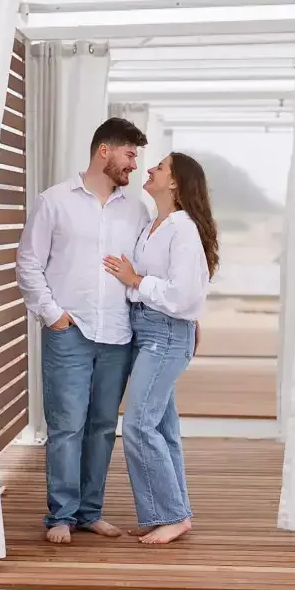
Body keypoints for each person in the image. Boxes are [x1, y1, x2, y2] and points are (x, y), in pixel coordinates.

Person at [16, 117, 150, 545]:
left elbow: (145, 267)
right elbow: (28, 262)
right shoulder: (54, 201)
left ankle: (90, 512)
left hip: (119, 333)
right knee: (66, 426)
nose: (134, 164)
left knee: (101, 426)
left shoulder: (137, 209)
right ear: (104, 151)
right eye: (130, 153)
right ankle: (62, 513)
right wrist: (52, 314)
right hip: (69, 330)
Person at [102, 152, 219, 545]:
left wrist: (136, 280)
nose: (149, 168)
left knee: (138, 425)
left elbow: (183, 295)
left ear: (175, 183)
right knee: (162, 427)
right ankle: (168, 513)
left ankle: (170, 514)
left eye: (161, 167)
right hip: (149, 331)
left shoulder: (182, 229)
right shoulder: (156, 224)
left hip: (165, 334)